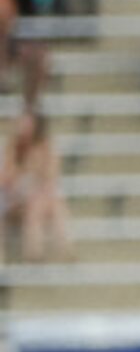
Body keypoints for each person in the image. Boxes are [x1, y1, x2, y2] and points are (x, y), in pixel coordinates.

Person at [2, 103, 69, 262]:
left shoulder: (45, 146)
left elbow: (50, 175)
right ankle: (37, 253)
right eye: (22, 123)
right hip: (15, 199)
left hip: (36, 197)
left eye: (27, 123)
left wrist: (35, 169)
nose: (23, 127)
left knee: (50, 203)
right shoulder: (13, 147)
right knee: (40, 203)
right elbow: (8, 179)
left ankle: (59, 252)